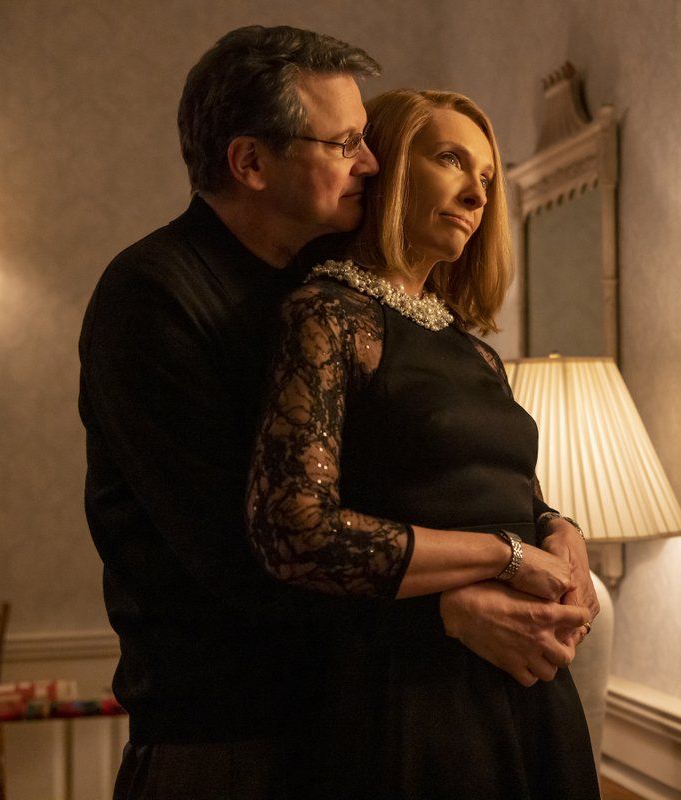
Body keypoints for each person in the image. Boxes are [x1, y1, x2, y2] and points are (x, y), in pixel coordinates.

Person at [79, 25, 595, 799]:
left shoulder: (333, 290)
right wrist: (456, 604)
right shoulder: (154, 295)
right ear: (251, 163)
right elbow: (242, 552)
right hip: (224, 735)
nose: (371, 162)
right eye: (345, 142)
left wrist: (550, 523)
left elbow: (408, 471)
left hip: (354, 703)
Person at [245, 89, 602, 800]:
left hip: (529, 687)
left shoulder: (476, 351)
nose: (476, 193)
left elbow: (501, 490)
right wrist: (504, 557)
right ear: (385, 166)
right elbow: (294, 529)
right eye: (450, 160)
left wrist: (560, 528)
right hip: (411, 695)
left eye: (488, 177)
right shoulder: (327, 316)